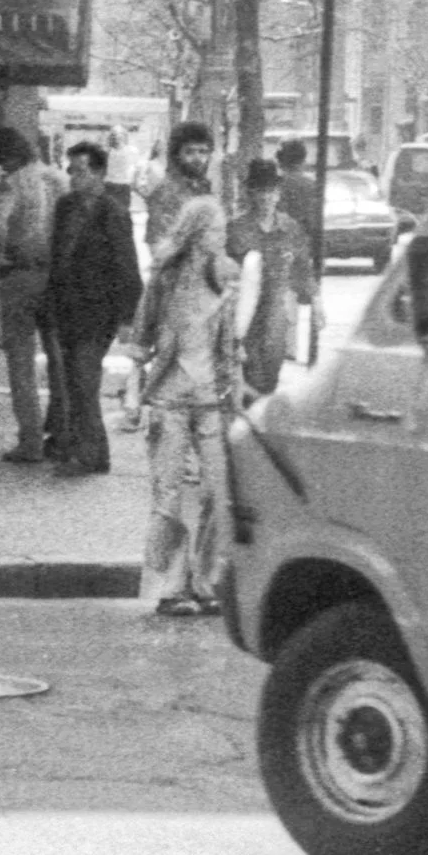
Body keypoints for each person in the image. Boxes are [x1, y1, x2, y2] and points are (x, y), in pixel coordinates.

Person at [136, 194, 252, 617]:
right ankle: (170, 588)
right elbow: (142, 332)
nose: (223, 237)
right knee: (168, 495)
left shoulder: (226, 276)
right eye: (216, 230)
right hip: (169, 398)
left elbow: (232, 341)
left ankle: (203, 583)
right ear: (197, 234)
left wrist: (236, 385)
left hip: (210, 399)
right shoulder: (165, 277)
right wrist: (132, 393)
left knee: (215, 492)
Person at [47, 141, 143, 476]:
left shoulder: (112, 212)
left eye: (81, 171)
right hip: (66, 306)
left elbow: (126, 265)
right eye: (71, 170)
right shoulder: (66, 207)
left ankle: (89, 454)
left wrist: (128, 317)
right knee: (73, 380)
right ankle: (86, 449)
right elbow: (57, 254)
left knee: (84, 379)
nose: (74, 177)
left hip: (98, 310)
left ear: (100, 173)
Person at [0, 124, 68, 465]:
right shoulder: (61, 179)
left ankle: (31, 441)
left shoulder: (12, 183)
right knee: (59, 358)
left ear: (7, 157)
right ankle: (63, 435)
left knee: (21, 360)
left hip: (20, 274)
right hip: (58, 276)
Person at [227, 158, 318, 398]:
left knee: (270, 373)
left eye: (271, 191)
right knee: (246, 375)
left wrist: (316, 302)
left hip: (277, 313)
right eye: (260, 191)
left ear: (278, 193)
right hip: (245, 314)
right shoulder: (235, 229)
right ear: (250, 193)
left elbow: (303, 268)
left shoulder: (290, 228)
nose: (266, 197)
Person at [147, 121, 215, 260]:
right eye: (189, 152)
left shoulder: (204, 187)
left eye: (203, 151)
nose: (198, 159)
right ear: (177, 155)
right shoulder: (165, 192)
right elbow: (157, 246)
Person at [273, 136, 321, 261]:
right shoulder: (311, 185)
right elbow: (314, 222)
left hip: (276, 246)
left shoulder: (273, 185)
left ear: (279, 160)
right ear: (303, 159)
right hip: (301, 247)